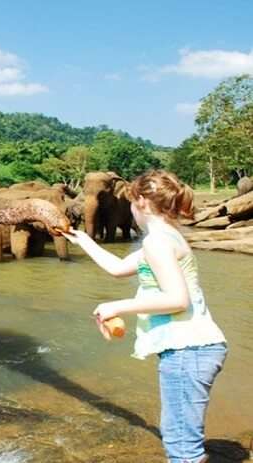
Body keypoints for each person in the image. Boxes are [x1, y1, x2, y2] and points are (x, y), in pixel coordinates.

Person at [63, 169, 226, 463]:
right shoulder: (165, 238)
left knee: (180, 443)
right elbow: (117, 268)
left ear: (141, 203)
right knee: (179, 434)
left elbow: (177, 299)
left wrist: (116, 307)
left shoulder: (157, 242)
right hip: (194, 349)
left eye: (130, 203)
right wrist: (82, 240)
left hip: (189, 350)